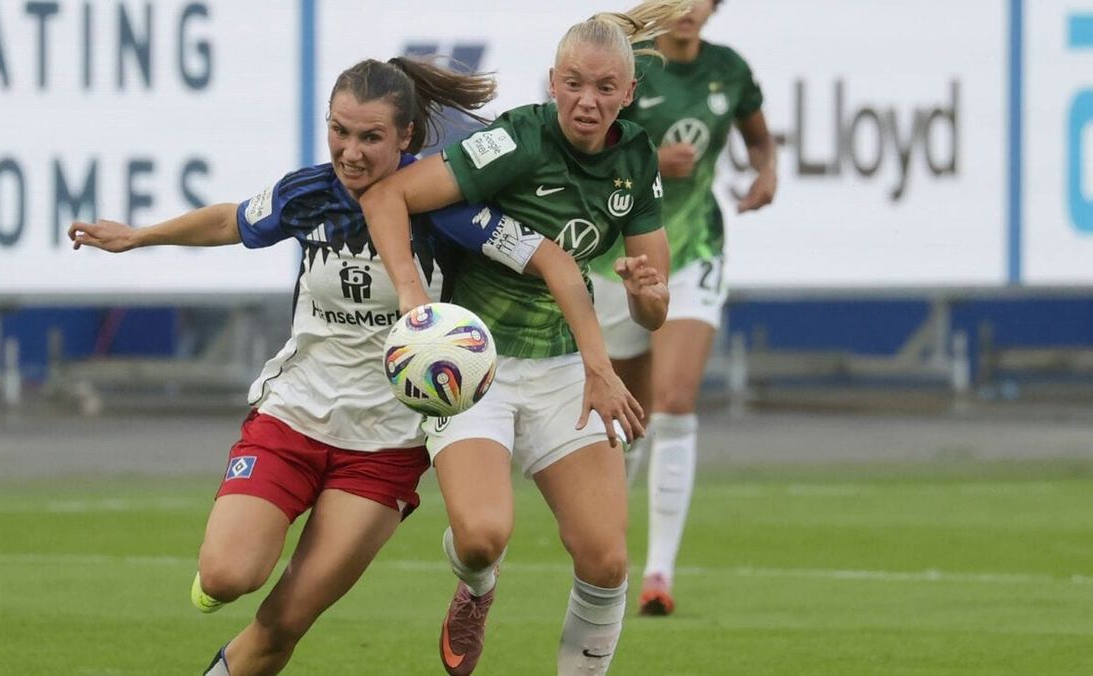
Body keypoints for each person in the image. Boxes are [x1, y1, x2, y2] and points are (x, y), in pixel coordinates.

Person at [65, 57, 567, 676]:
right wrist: (138, 236)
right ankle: (222, 579)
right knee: (227, 576)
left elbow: (538, 256)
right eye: (339, 131)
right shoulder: (310, 192)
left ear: (406, 137)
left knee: (281, 625)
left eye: (370, 137)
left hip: (384, 447)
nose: (350, 152)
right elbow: (231, 219)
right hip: (294, 416)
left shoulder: (442, 207)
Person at [360, 3, 694, 673]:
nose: (587, 101)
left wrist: (645, 293)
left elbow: (654, 308)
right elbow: (387, 195)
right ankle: (477, 588)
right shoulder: (517, 141)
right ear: (551, 82)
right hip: (475, 367)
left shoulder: (635, 157)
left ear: (628, 95)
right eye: (574, 83)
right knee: (481, 538)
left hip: (566, 366)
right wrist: (414, 299)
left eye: (604, 89)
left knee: (605, 558)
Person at [588, 0, 777, 617]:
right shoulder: (627, 67)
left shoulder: (730, 71)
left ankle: (660, 572)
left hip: (694, 250)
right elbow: (586, 150)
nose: (690, 9)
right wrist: (649, 165)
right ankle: (611, 547)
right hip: (622, 258)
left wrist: (765, 174)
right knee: (630, 416)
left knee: (674, 399)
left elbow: (758, 141)